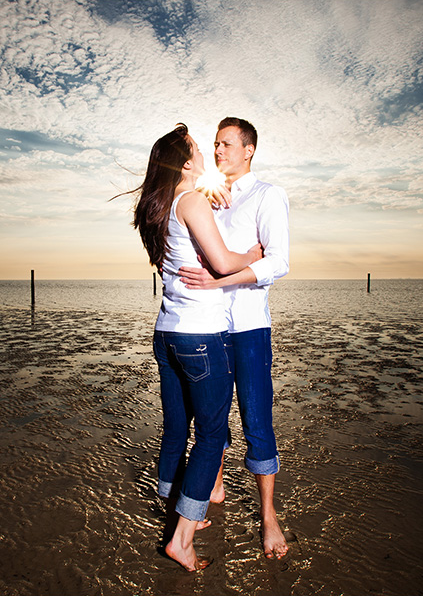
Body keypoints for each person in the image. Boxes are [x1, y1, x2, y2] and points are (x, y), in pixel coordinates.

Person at [127, 123, 264, 571]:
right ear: (186, 163)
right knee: (209, 438)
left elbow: (190, 241)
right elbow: (223, 263)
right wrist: (255, 253)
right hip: (201, 336)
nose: (207, 152)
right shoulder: (189, 203)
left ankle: (177, 512)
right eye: (197, 149)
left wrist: (212, 197)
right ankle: (181, 539)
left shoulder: (163, 207)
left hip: (166, 333)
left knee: (174, 429)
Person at [177, 117, 291, 560]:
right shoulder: (207, 197)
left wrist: (221, 281)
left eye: (226, 144)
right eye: (215, 144)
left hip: (247, 328)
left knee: (257, 420)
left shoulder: (268, 195)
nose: (218, 150)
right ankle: (216, 486)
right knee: (211, 418)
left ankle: (268, 516)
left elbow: (278, 262)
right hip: (207, 326)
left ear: (249, 150)